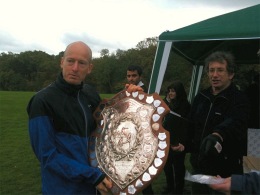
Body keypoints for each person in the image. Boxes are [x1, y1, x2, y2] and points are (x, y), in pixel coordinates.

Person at [27, 41, 142, 194]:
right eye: (70, 61)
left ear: (89, 68)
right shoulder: (42, 101)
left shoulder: (90, 94)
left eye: (82, 63)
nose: (75, 68)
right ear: (62, 62)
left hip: (94, 187)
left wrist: (131, 97)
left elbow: (110, 127)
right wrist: (91, 175)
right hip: (62, 189)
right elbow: (47, 156)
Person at [186, 51, 250, 194]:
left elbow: (236, 122)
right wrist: (183, 144)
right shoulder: (200, 97)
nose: (214, 75)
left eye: (220, 70)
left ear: (231, 74)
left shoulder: (239, 99)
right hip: (199, 168)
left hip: (225, 173)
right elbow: (190, 125)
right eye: (211, 70)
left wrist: (218, 135)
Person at [126, 65, 154, 195]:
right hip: (131, 134)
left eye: (134, 75)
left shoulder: (145, 91)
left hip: (143, 137)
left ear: (140, 76)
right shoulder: (127, 90)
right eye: (129, 76)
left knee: (143, 172)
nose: (131, 78)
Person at [162, 81, 191, 194]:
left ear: (178, 92)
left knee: (178, 166)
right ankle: (170, 187)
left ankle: (179, 189)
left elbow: (186, 124)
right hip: (167, 138)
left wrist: (182, 141)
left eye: (173, 91)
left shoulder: (185, 105)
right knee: (167, 164)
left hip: (179, 139)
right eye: (169, 91)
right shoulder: (167, 102)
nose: (170, 93)